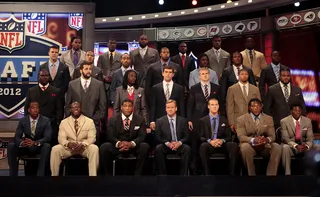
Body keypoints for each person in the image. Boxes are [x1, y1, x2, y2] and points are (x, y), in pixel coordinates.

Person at [99, 99, 149, 176]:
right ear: (121, 107)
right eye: (125, 106)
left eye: (129, 106)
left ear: (132, 107)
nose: (127, 108)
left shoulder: (140, 119)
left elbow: (142, 136)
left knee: (144, 147)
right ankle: (108, 175)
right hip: (118, 146)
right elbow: (110, 135)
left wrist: (131, 144)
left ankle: (137, 176)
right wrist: (119, 143)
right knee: (104, 147)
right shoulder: (113, 119)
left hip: (133, 147)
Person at [50, 102, 99, 176]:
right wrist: (68, 144)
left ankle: (93, 177)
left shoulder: (89, 121)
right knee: (55, 149)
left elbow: (92, 138)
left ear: (81, 108)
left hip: (83, 147)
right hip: (69, 147)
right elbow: (61, 138)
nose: (76, 108)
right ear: (70, 109)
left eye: (78, 106)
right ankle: (54, 177)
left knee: (94, 148)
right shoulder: (64, 122)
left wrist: (83, 144)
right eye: (73, 107)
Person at [187, 67, 220, 173]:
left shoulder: (216, 87)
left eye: (207, 73)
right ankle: (195, 169)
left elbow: (221, 104)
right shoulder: (194, 88)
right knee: (196, 144)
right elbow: (190, 105)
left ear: (209, 75)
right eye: (203, 74)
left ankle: (209, 169)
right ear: (199, 76)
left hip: (212, 120)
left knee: (208, 143)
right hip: (197, 120)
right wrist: (189, 119)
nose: (205, 75)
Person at [237, 98, 282, 176]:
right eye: (253, 106)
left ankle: (271, 176)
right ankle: (251, 176)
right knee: (244, 147)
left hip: (264, 146)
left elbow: (272, 136)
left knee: (277, 147)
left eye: (258, 106)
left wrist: (266, 140)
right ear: (249, 108)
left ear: (261, 107)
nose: (256, 108)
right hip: (250, 145)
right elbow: (241, 136)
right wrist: (253, 140)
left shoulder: (268, 118)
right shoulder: (241, 119)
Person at [7, 102, 51, 176]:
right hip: (26, 147)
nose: (35, 110)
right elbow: (17, 137)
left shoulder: (46, 121)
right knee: (11, 146)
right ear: (29, 110)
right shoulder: (23, 120)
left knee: (47, 146)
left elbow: (47, 137)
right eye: (33, 108)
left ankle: (40, 176)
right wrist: (22, 143)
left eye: (37, 108)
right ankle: (13, 175)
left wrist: (35, 143)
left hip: (38, 146)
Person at [65, 61, 106, 137]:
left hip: (93, 123)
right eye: (86, 69)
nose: (88, 71)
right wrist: (72, 120)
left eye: (90, 69)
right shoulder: (72, 84)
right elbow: (68, 105)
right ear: (81, 70)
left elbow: (102, 106)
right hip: (75, 123)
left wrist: (94, 119)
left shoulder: (99, 85)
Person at [199, 98, 238, 175]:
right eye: (212, 105)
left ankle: (232, 174)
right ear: (208, 106)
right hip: (209, 144)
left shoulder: (224, 120)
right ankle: (206, 174)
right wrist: (210, 141)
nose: (215, 107)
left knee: (233, 145)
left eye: (216, 104)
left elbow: (229, 137)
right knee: (203, 146)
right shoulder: (203, 120)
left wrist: (221, 141)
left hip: (221, 144)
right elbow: (201, 137)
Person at [24, 69, 62, 145]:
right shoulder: (31, 91)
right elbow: (26, 108)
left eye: (47, 75)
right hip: (35, 125)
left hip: (51, 125)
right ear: (38, 77)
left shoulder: (56, 91)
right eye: (42, 75)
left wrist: (58, 122)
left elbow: (59, 109)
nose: (45, 77)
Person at [154, 99, 190, 175]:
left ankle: (183, 175)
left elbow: (187, 136)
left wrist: (179, 143)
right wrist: (168, 143)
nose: (170, 109)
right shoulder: (159, 121)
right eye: (168, 107)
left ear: (176, 108)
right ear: (165, 109)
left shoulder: (183, 120)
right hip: (166, 145)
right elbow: (158, 137)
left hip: (179, 145)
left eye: (172, 107)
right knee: (158, 148)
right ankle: (162, 175)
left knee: (187, 148)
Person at [281, 103, 314, 175]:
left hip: (304, 146)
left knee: (318, 147)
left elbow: (310, 138)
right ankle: (287, 174)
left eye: (299, 111)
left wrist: (306, 146)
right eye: (295, 110)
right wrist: (295, 146)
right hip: (291, 146)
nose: (297, 112)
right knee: (285, 147)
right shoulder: (284, 121)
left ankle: (313, 175)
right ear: (291, 111)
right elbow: (285, 138)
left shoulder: (307, 121)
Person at [149, 66, 185, 130]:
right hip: (159, 118)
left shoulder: (179, 88)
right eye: (166, 72)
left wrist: (182, 120)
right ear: (162, 73)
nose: (168, 74)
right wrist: (152, 120)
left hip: (175, 119)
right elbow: (153, 105)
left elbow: (181, 105)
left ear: (173, 74)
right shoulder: (155, 88)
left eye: (170, 72)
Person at [226, 69, 261, 133]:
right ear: (238, 76)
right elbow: (230, 107)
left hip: (253, 120)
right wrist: (231, 123)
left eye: (246, 74)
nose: (244, 76)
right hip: (237, 120)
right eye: (242, 74)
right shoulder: (232, 89)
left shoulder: (255, 89)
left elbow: (259, 106)